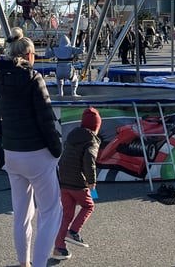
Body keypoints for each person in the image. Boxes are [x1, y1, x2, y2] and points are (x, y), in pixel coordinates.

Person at [0, 29, 62, 267]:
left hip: (13, 154)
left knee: (21, 213)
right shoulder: (33, 79)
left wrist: (5, 139)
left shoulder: (0, 79)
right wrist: (56, 148)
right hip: (37, 153)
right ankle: (40, 262)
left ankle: (24, 262)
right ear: (29, 54)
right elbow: (46, 117)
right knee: (50, 211)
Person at [53, 107, 101, 260]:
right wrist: (92, 181)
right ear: (96, 127)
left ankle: (59, 249)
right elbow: (89, 161)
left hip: (63, 181)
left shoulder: (72, 136)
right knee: (89, 206)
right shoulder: (92, 140)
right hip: (78, 183)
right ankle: (73, 232)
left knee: (66, 215)